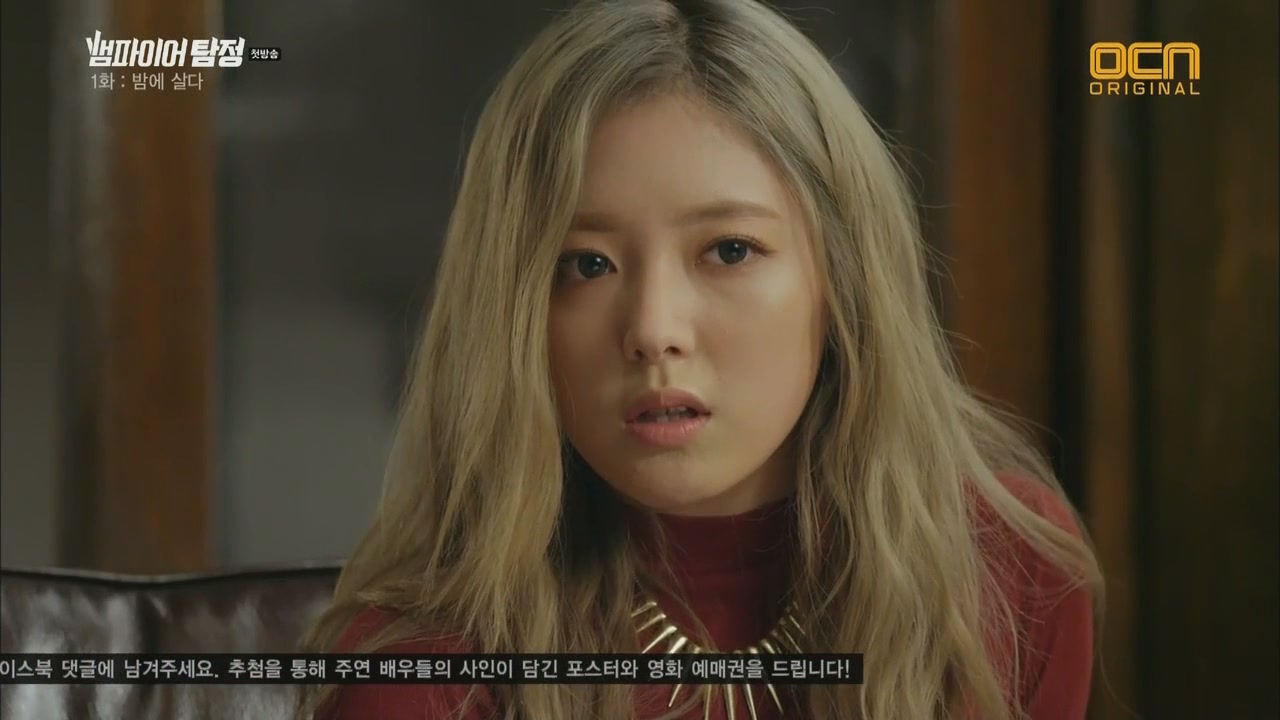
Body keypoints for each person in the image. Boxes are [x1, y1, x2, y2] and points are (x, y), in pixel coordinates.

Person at [300, 1, 1103, 718]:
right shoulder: (424, 680)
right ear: (514, 314)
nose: (654, 330)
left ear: (842, 278)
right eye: (586, 265)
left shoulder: (1007, 572)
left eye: (729, 250)